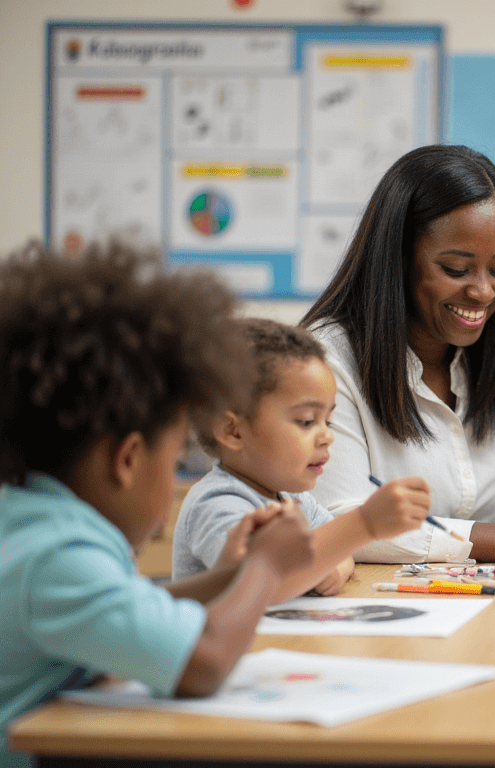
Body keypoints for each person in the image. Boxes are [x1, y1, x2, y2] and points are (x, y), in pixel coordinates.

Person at [0, 243, 316, 768]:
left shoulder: (32, 521)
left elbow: (142, 603)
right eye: (172, 459)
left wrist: (233, 573)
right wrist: (265, 566)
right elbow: (204, 663)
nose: (174, 474)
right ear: (127, 459)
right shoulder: (57, 557)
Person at [301, 145, 495, 564]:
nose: (483, 291)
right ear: (398, 260)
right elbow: (338, 520)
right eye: (457, 270)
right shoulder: (325, 360)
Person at [175, 319, 433, 599]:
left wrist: (334, 568)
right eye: (307, 421)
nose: (327, 437)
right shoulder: (217, 504)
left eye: (329, 421)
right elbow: (262, 584)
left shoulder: (293, 500)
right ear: (234, 431)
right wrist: (365, 522)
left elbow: (343, 554)